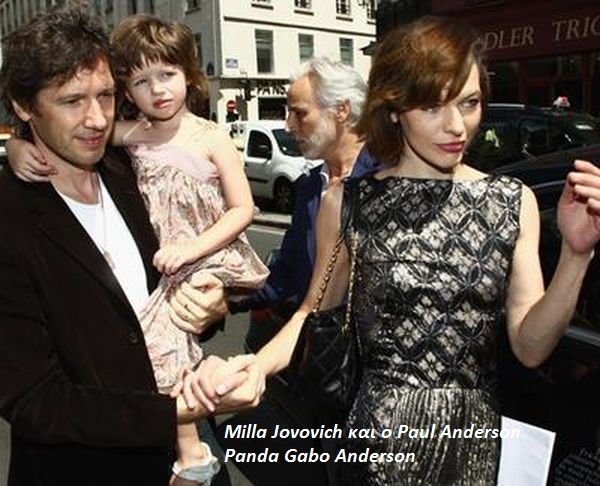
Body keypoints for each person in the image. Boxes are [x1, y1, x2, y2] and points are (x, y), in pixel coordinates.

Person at [189, 16, 600, 485]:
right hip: (377, 444)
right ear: (395, 109)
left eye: (469, 103)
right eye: (432, 106)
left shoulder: (512, 202)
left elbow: (530, 347)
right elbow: (311, 312)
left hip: (470, 447)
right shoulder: (348, 202)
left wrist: (576, 255)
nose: (456, 126)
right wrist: (255, 367)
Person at [0, 5, 263, 486]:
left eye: (105, 95)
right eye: (72, 100)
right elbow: (32, 400)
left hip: (192, 454)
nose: (96, 119)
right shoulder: (10, 217)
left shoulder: (131, 170)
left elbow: (170, 289)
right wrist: (174, 412)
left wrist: (213, 307)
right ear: (23, 105)